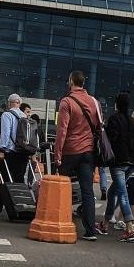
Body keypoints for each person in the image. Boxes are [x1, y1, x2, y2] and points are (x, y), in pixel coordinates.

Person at [55, 71, 100, 241]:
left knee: (63, 188)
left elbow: (62, 130)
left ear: (71, 81)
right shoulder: (94, 102)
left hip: (69, 151)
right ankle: (90, 231)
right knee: (87, 191)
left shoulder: (66, 102)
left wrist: (57, 154)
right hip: (88, 152)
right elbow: (98, 126)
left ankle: (63, 222)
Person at [96, 92, 134, 242]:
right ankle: (105, 223)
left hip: (119, 162)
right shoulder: (133, 122)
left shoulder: (114, 119)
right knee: (113, 192)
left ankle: (130, 229)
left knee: (121, 193)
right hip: (132, 162)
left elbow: (110, 139)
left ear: (116, 104)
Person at [0, 94, 29, 215]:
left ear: (9, 103)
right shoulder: (25, 116)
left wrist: (1, 150)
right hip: (23, 152)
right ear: (19, 103)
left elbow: (5, 134)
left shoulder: (7, 115)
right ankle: (20, 208)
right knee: (19, 180)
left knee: (3, 179)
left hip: (10, 152)